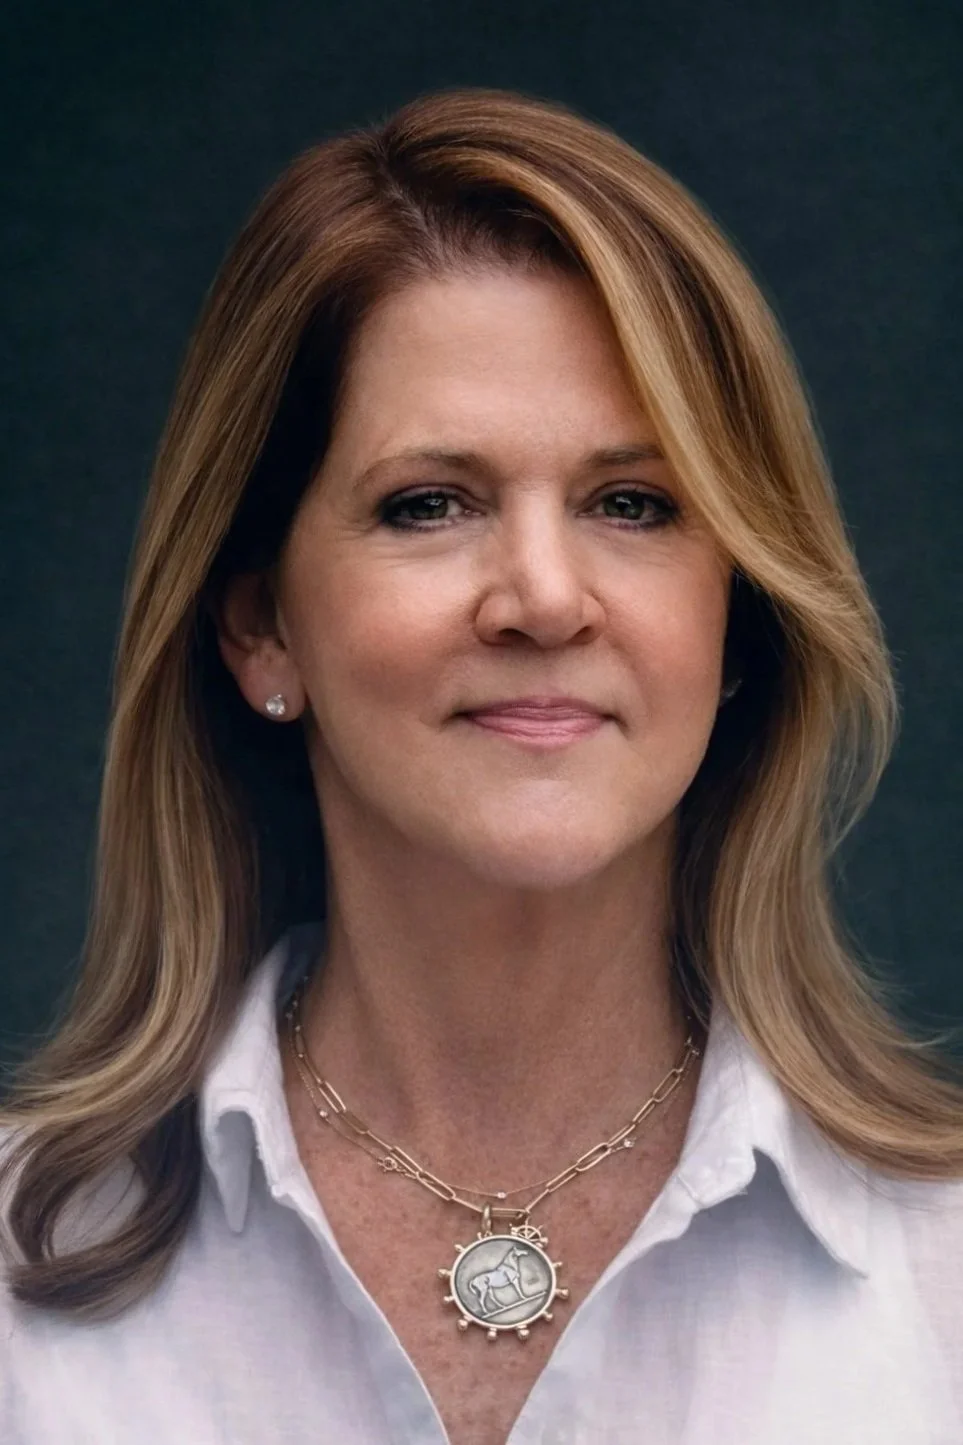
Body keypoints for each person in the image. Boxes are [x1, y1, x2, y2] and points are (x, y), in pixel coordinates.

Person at [1, 84, 961, 1445]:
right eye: (428, 505)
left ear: (732, 616)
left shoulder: (940, 1275)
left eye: (630, 504)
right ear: (261, 623)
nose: (543, 597)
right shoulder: (15, 1292)